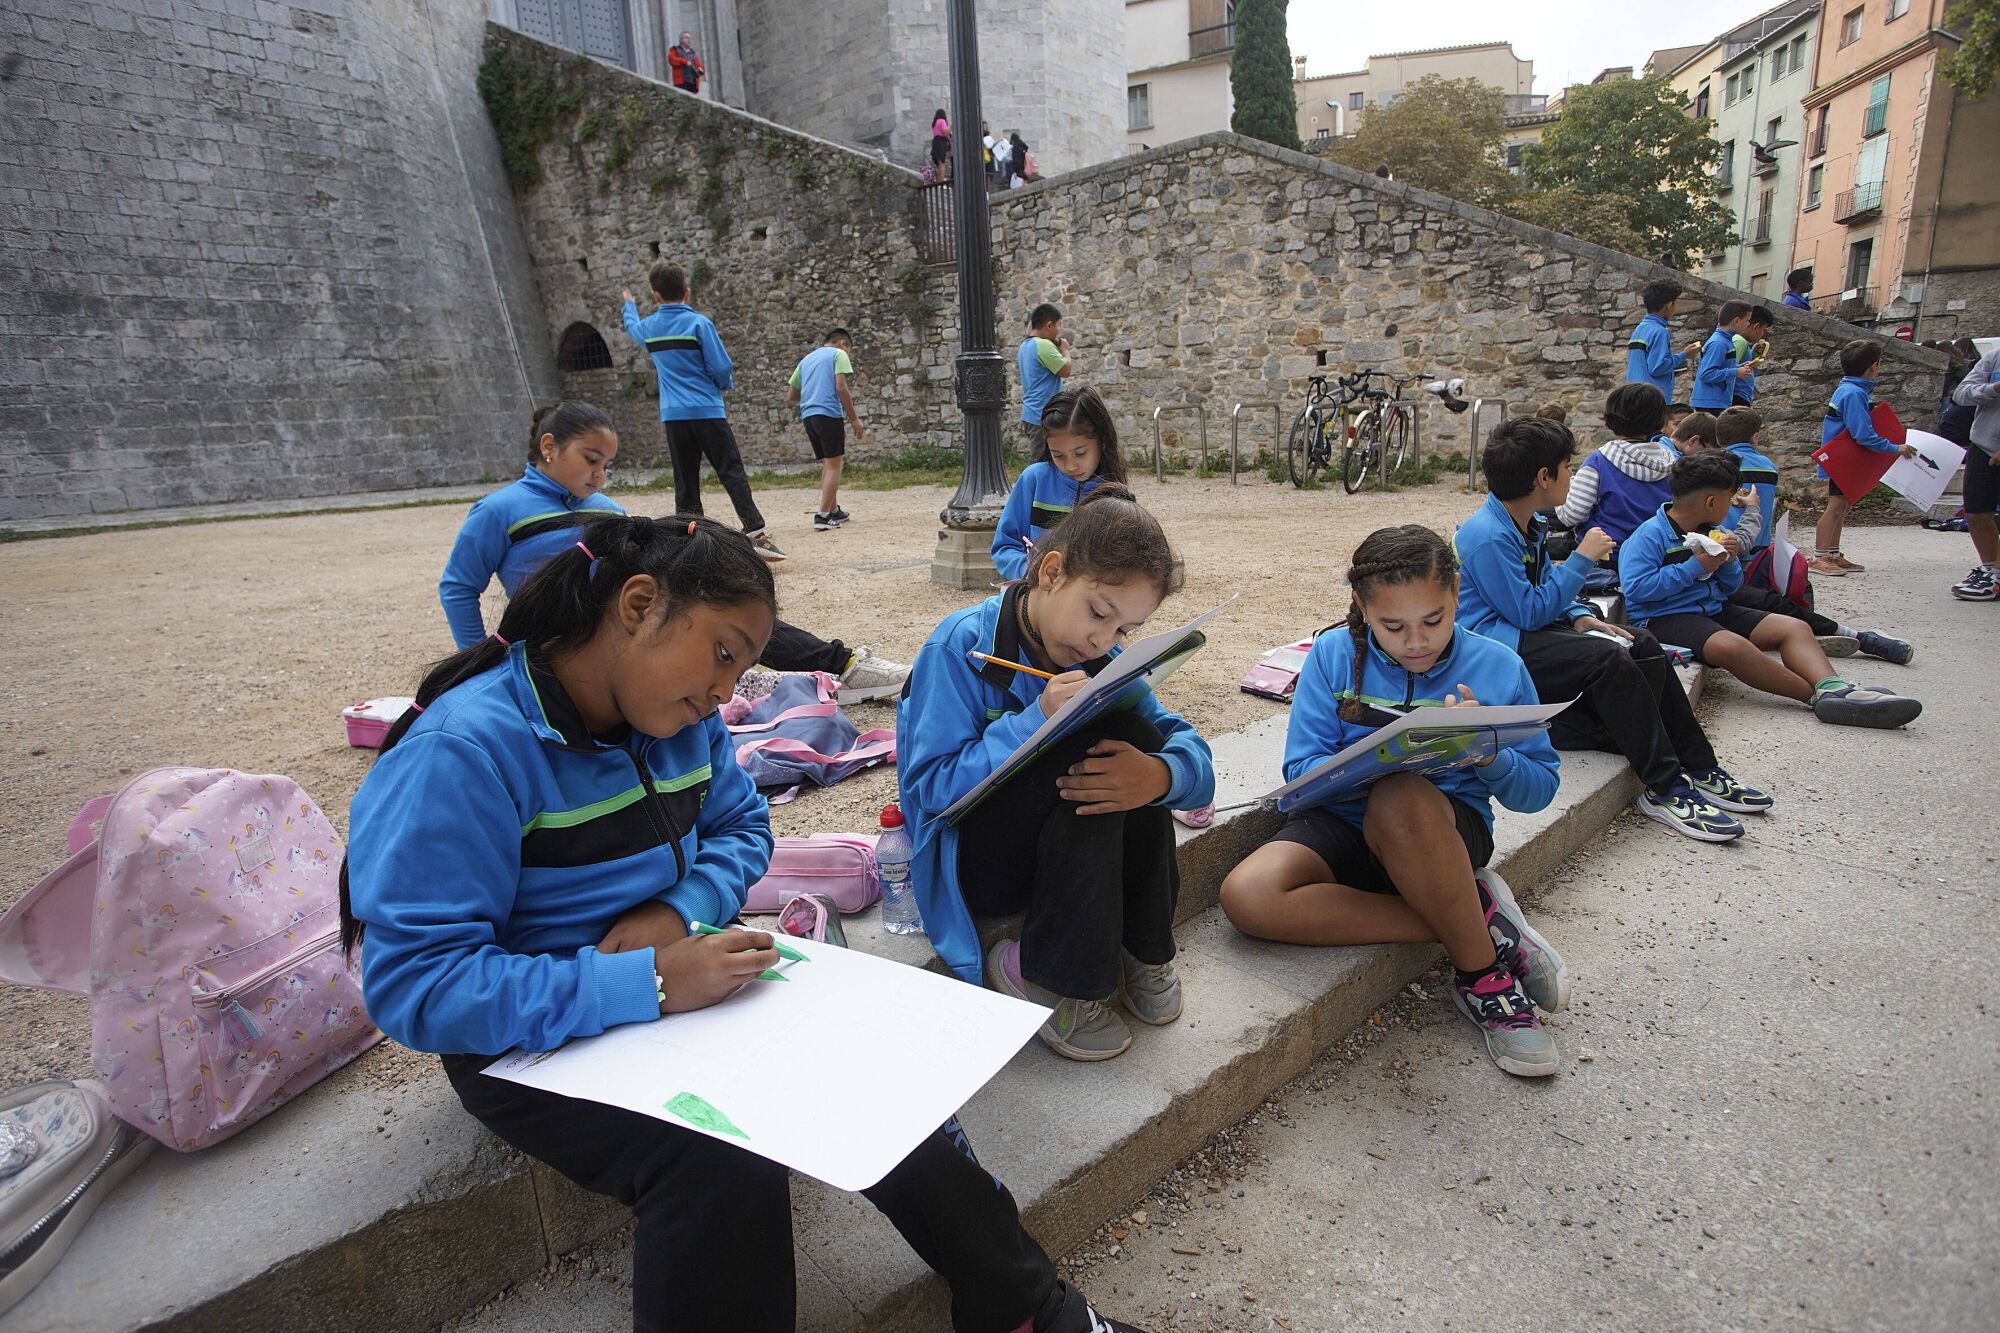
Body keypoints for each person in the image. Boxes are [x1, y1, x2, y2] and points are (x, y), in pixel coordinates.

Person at [347, 514, 1148, 1333]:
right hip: (529, 1034)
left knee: (879, 1063)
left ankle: (1028, 1311)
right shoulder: (467, 750)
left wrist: (677, 910)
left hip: (681, 976)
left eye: (743, 667)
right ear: (636, 605)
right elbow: (418, 984)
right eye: (723, 652)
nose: (728, 693)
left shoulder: (682, 719)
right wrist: (648, 981)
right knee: (716, 1151)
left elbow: (742, 828)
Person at [1217, 526, 1567, 1078]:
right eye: (1392, 626)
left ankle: (1483, 979)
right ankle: (1476, 917)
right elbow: (1300, 770)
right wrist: (1368, 761)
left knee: (1402, 795)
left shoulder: (1499, 666)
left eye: (1434, 620)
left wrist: (1484, 752)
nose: (1416, 642)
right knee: (1248, 896)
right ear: (1361, 606)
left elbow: (1540, 789)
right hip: (1341, 821)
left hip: (1442, 830)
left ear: (1455, 591)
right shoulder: (1332, 654)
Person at [898, 489, 1215, 1062]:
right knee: (1095, 747)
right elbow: (932, 790)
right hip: (979, 861)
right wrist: (1033, 721)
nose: (1103, 640)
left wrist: (1162, 777)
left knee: (1138, 746)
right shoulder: (960, 647)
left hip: (1063, 848)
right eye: (1098, 612)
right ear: (1051, 571)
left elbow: (1185, 747)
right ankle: (1049, 976)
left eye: (1125, 629)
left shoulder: (1097, 657)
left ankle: (1144, 948)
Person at [439, 402, 910, 701]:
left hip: (626, 623)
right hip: (561, 642)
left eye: (607, 464)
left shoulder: (604, 506)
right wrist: (483, 662)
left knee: (725, 603)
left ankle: (844, 665)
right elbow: (459, 589)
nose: (600, 473)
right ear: (549, 446)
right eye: (590, 459)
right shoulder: (499, 510)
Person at [1456, 417, 1767, 843]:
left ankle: (1699, 764)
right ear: (1543, 477)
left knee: (1642, 642)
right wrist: (1582, 560)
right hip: (1497, 643)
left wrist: (1582, 615)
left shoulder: (1529, 523)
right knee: (1607, 658)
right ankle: (1665, 786)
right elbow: (1526, 612)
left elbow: (1548, 589)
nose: (1574, 474)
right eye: (1568, 466)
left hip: (1527, 631)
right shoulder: (1487, 534)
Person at [1619, 451, 1922, 727]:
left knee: (1794, 627)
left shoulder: (1718, 532)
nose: (1731, 505)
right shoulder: (1650, 535)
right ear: (1712, 502)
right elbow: (1637, 590)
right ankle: (1817, 697)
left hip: (1714, 608)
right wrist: (1696, 566)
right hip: (1664, 618)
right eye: (1730, 498)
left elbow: (1733, 586)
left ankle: (1832, 686)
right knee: (1732, 647)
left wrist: (1728, 562)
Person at [1705, 406, 1913, 663]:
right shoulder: (1766, 468)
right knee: (1773, 603)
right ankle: (1838, 634)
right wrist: (1752, 508)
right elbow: (1743, 543)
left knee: (1769, 603)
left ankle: (1838, 634)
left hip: (1732, 570)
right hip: (1744, 566)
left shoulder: (1709, 495)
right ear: (1755, 437)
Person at [622, 262, 786, 562]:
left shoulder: (648, 328)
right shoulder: (700, 324)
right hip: (708, 410)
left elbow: (632, 329)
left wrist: (629, 305)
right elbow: (722, 367)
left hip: (674, 416)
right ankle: (754, 533)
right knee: (730, 470)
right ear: (687, 292)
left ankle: (689, 541)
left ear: (655, 296)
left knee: (686, 480)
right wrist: (721, 385)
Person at [990, 387, 1123, 582]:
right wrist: (1028, 570)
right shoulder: (1033, 479)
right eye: (1058, 455)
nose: (1070, 466)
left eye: (1080, 453)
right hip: (1036, 591)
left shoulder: (1115, 494)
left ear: (1102, 442)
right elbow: (1004, 546)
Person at [1812, 338, 1919, 576]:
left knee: (1843, 506)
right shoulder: (1854, 393)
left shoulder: (1851, 389)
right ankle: (1819, 557)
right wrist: (1894, 447)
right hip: (1844, 459)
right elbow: (1863, 434)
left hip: (1844, 458)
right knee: (1836, 506)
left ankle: (1832, 553)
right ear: (1873, 366)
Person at [1557, 383, 1679, 546]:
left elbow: (1571, 515)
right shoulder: (1675, 464)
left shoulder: (1599, 462)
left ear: (1612, 416)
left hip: (1609, 556)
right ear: (1659, 419)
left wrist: (1565, 491)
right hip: (1656, 554)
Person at [787, 328, 864, 532]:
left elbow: (792, 395)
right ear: (843, 344)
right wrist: (854, 418)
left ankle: (833, 509)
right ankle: (822, 516)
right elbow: (841, 386)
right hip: (828, 414)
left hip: (809, 415)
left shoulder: (806, 360)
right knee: (835, 465)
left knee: (828, 463)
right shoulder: (838, 354)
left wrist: (813, 393)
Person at [1949, 338, 2000, 600]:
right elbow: (1961, 394)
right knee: (1977, 513)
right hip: (1984, 443)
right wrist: (1993, 389)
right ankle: (1991, 570)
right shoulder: (1995, 357)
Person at [1624, 281, 1700, 400]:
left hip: (1635, 396)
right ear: (1669, 305)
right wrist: (1684, 355)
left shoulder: (1640, 328)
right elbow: (1657, 368)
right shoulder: (1660, 331)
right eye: (1676, 304)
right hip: (1652, 398)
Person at [1016, 303, 1072, 456]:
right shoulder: (1044, 345)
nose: (1058, 330)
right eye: (1058, 325)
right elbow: (1066, 370)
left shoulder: (1024, 346)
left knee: (1046, 461)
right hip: (1042, 415)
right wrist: (1065, 350)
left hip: (1030, 413)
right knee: (1040, 464)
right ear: (1049, 325)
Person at [1690, 301, 1756, 412]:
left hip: (1717, 401)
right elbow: (1706, 374)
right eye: (1747, 321)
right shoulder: (1718, 343)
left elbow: (1721, 367)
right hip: (1711, 403)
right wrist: (1736, 372)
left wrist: (1739, 368)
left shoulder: (1726, 340)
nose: (1748, 324)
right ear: (1737, 321)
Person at [1730, 306, 1774, 407]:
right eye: (1763, 330)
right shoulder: (1739, 342)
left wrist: (1753, 355)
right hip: (1737, 397)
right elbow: (1729, 368)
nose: (1762, 334)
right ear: (1756, 326)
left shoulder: (1742, 342)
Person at [929, 108, 951, 181]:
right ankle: (941, 181)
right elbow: (944, 133)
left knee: (938, 164)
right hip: (941, 143)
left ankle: (938, 181)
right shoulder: (942, 121)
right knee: (942, 163)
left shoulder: (934, 123)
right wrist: (949, 129)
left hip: (935, 142)